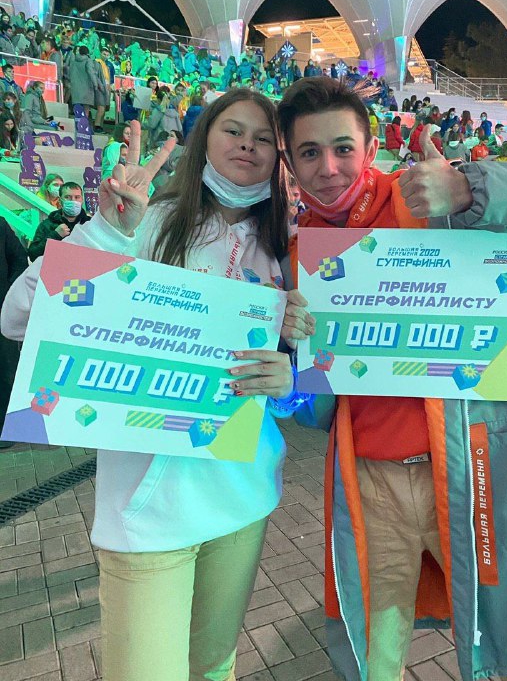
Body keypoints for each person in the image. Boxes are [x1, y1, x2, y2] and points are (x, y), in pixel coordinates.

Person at [278, 76, 507, 681]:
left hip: (472, 472)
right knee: (373, 656)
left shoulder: (430, 202)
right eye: (310, 153)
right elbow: (316, 409)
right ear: (291, 163)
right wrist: (296, 358)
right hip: (368, 484)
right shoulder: (299, 253)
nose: (328, 168)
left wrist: (473, 189)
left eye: (342, 148)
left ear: (369, 147)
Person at [1, 87, 315, 681]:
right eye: (233, 131)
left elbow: (290, 394)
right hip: (147, 517)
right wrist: (106, 233)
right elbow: (17, 316)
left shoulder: (286, 248)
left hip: (244, 501)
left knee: (213, 668)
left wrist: (288, 381)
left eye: (263, 139)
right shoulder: (147, 224)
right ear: (204, 141)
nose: (247, 146)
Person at [0, 217, 27, 449]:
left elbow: (19, 259)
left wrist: (9, 296)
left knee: (6, 372)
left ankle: (5, 430)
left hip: (1, 316)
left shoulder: (0, 225)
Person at [28, 182, 90, 261]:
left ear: (82, 200)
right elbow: (33, 255)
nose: (73, 201)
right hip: (56, 267)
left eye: (77, 197)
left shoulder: (90, 224)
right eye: (67, 197)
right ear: (60, 201)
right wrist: (55, 235)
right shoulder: (47, 225)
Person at [70, 45, 101, 118]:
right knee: (86, 109)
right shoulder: (88, 60)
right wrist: (95, 84)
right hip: (87, 88)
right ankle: (83, 123)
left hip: (75, 88)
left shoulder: (74, 61)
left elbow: (70, 73)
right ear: (87, 52)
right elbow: (91, 73)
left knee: (77, 109)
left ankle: (77, 123)